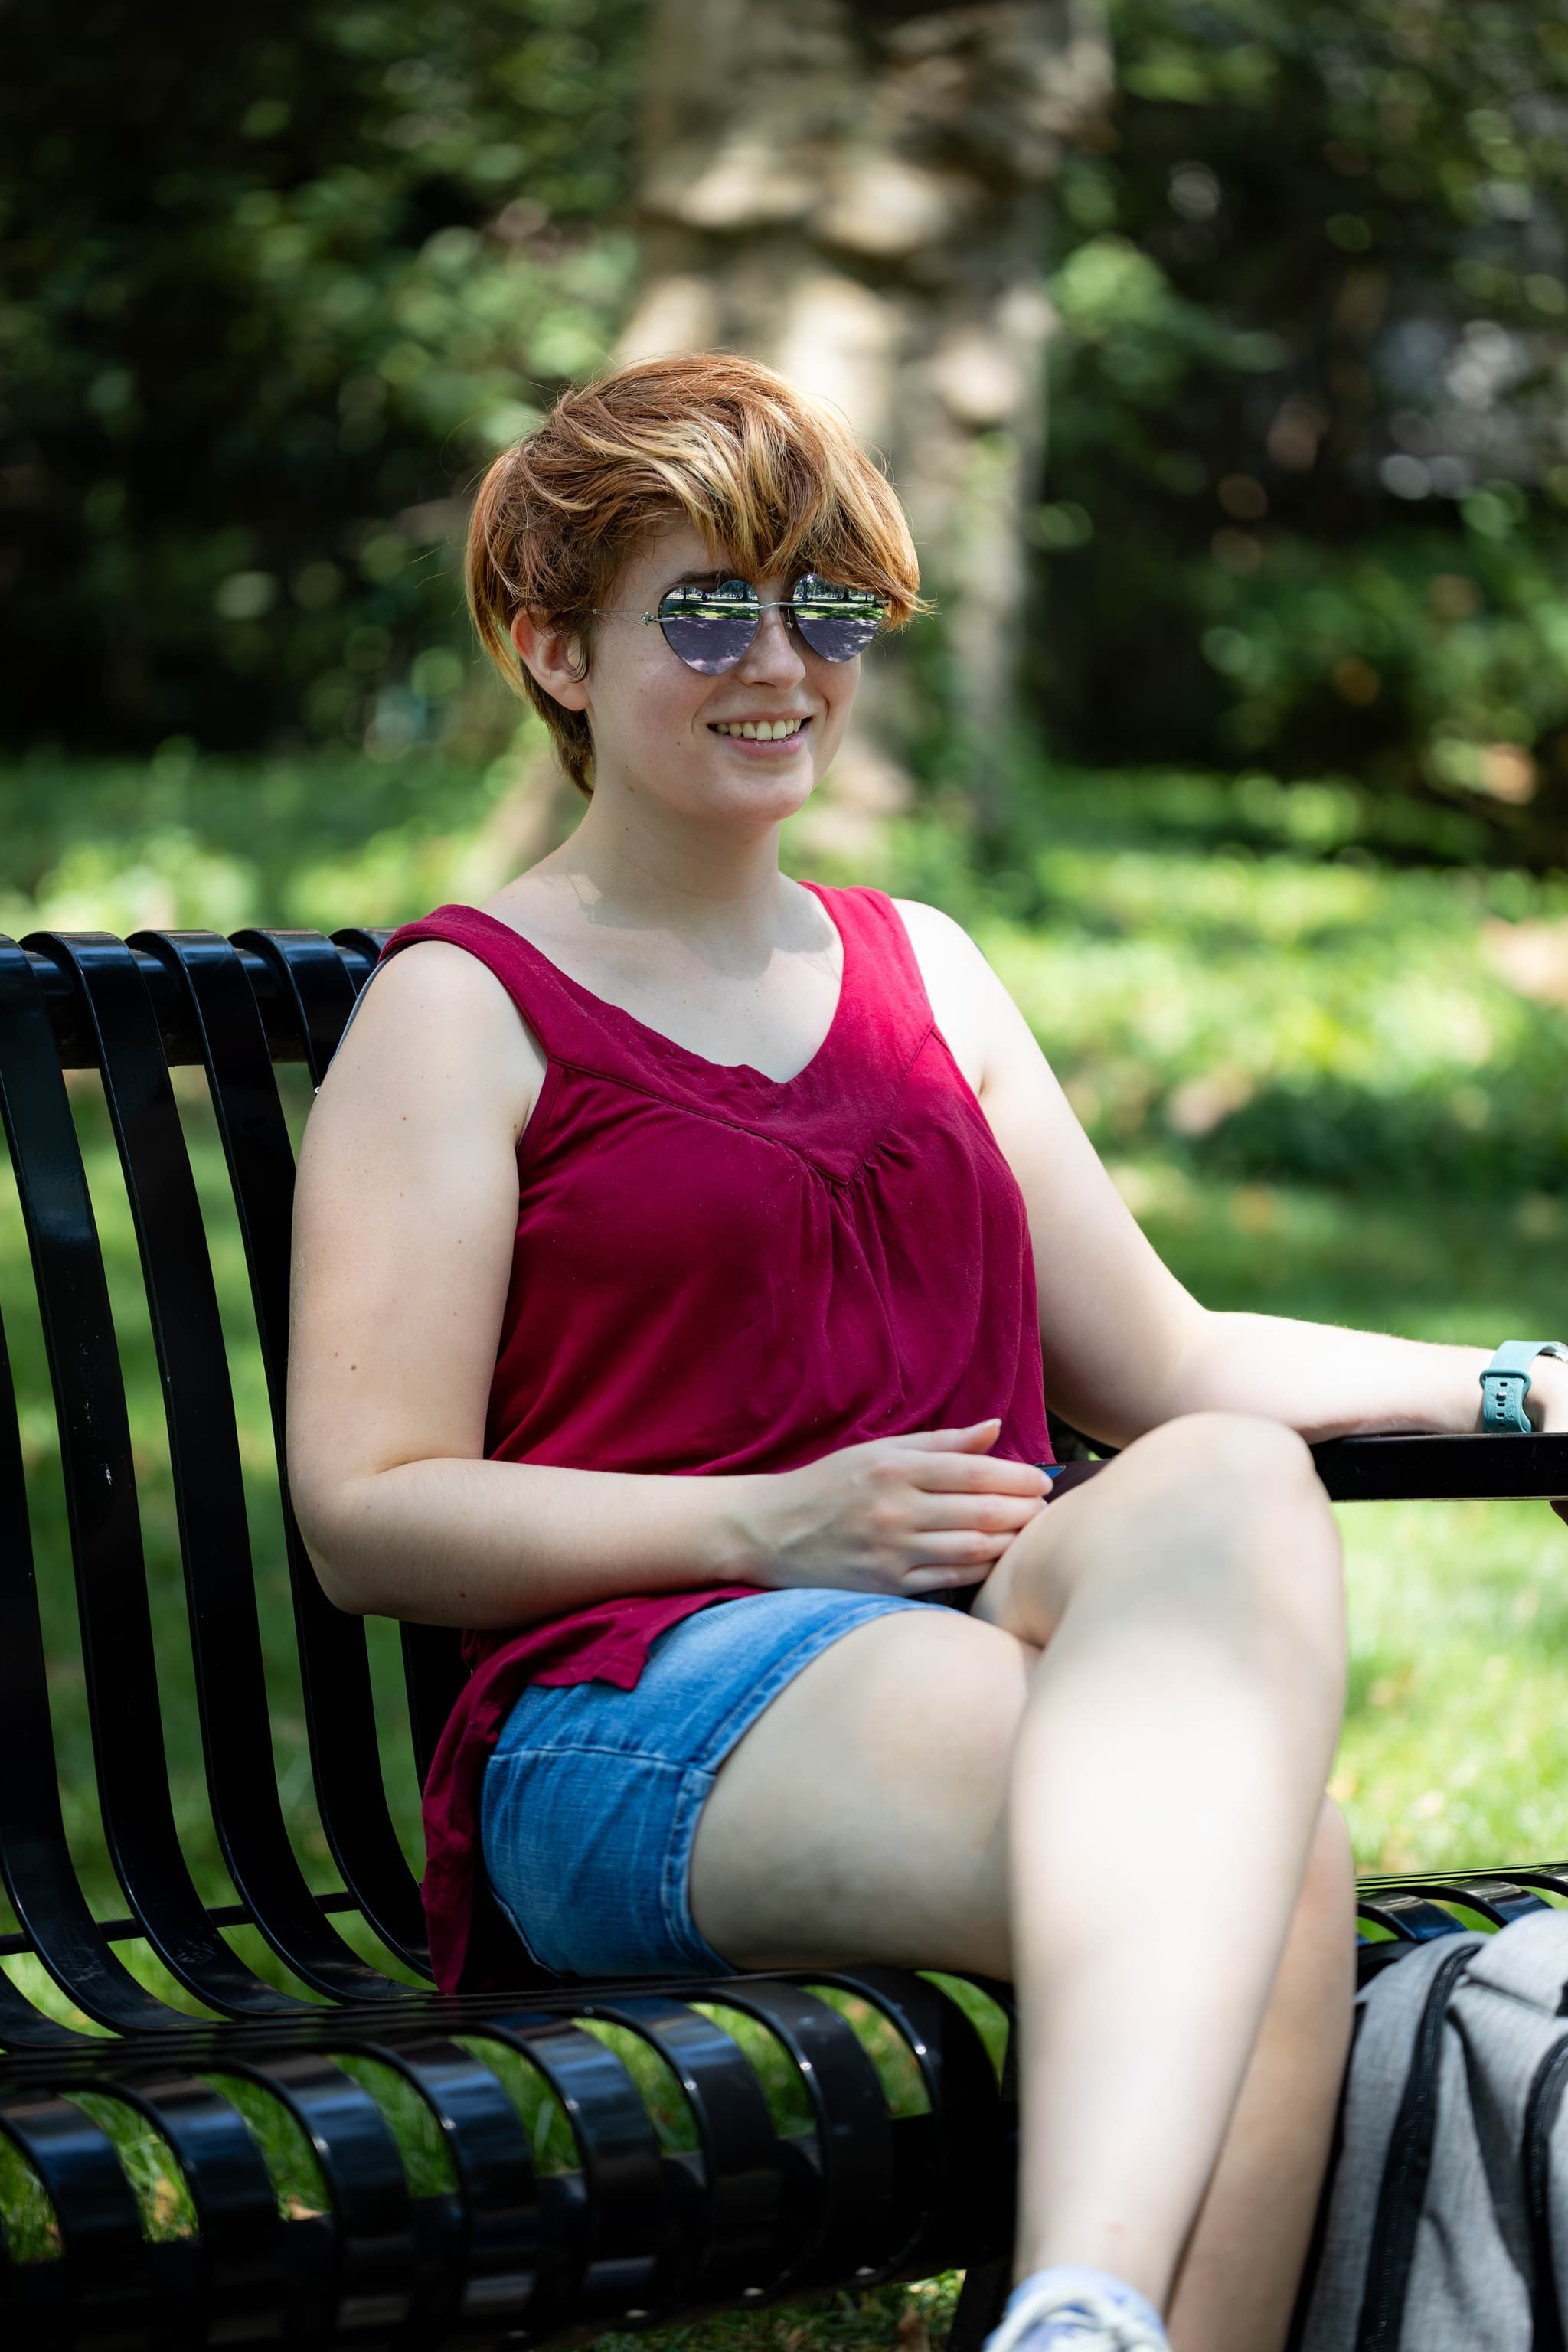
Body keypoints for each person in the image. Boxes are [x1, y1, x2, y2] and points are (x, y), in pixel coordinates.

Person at [286, 351, 1567, 2352]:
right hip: (640, 1705)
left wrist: (1514, 1383)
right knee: (1266, 1862)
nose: (781, 658)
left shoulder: (922, 972)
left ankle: (1077, 2311)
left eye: (828, 606)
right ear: (551, 650)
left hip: (961, 1629)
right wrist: (761, 1530)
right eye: (706, 606)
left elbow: (1168, 1358)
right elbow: (366, 1515)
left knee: (1229, 1514)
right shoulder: (468, 1009)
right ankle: (1080, 2313)